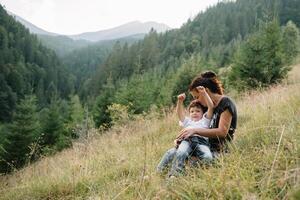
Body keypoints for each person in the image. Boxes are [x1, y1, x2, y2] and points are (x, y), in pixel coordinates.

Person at [156, 86, 214, 176]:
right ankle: (175, 174)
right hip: (188, 140)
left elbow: (211, 107)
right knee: (181, 152)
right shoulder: (187, 122)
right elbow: (179, 113)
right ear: (189, 113)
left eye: (198, 111)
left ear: (203, 113)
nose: (195, 113)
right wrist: (180, 101)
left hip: (201, 142)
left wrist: (204, 93)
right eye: (192, 111)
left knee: (208, 157)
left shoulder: (205, 121)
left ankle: (195, 173)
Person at [177, 71, 237, 154]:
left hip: (219, 152)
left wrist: (195, 130)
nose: (196, 101)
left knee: (187, 162)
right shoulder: (206, 107)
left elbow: (222, 132)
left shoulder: (225, 103)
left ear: (206, 92)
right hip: (204, 146)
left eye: (197, 97)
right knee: (174, 153)